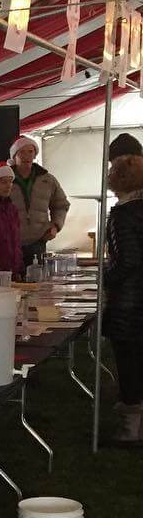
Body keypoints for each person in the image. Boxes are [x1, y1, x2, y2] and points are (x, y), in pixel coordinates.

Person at [102, 154, 143, 444]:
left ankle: (131, 429)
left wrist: (105, 276)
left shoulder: (123, 214)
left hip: (130, 301)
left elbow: (128, 259)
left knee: (129, 364)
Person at [8, 136, 69, 270]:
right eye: (21, 152)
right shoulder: (5, 179)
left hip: (39, 240)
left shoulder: (48, 179)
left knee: (37, 281)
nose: (27, 156)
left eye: (30, 151)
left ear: (35, 154)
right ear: (14, 156)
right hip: (10, 241)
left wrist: (55, 226)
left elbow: (61, 204)